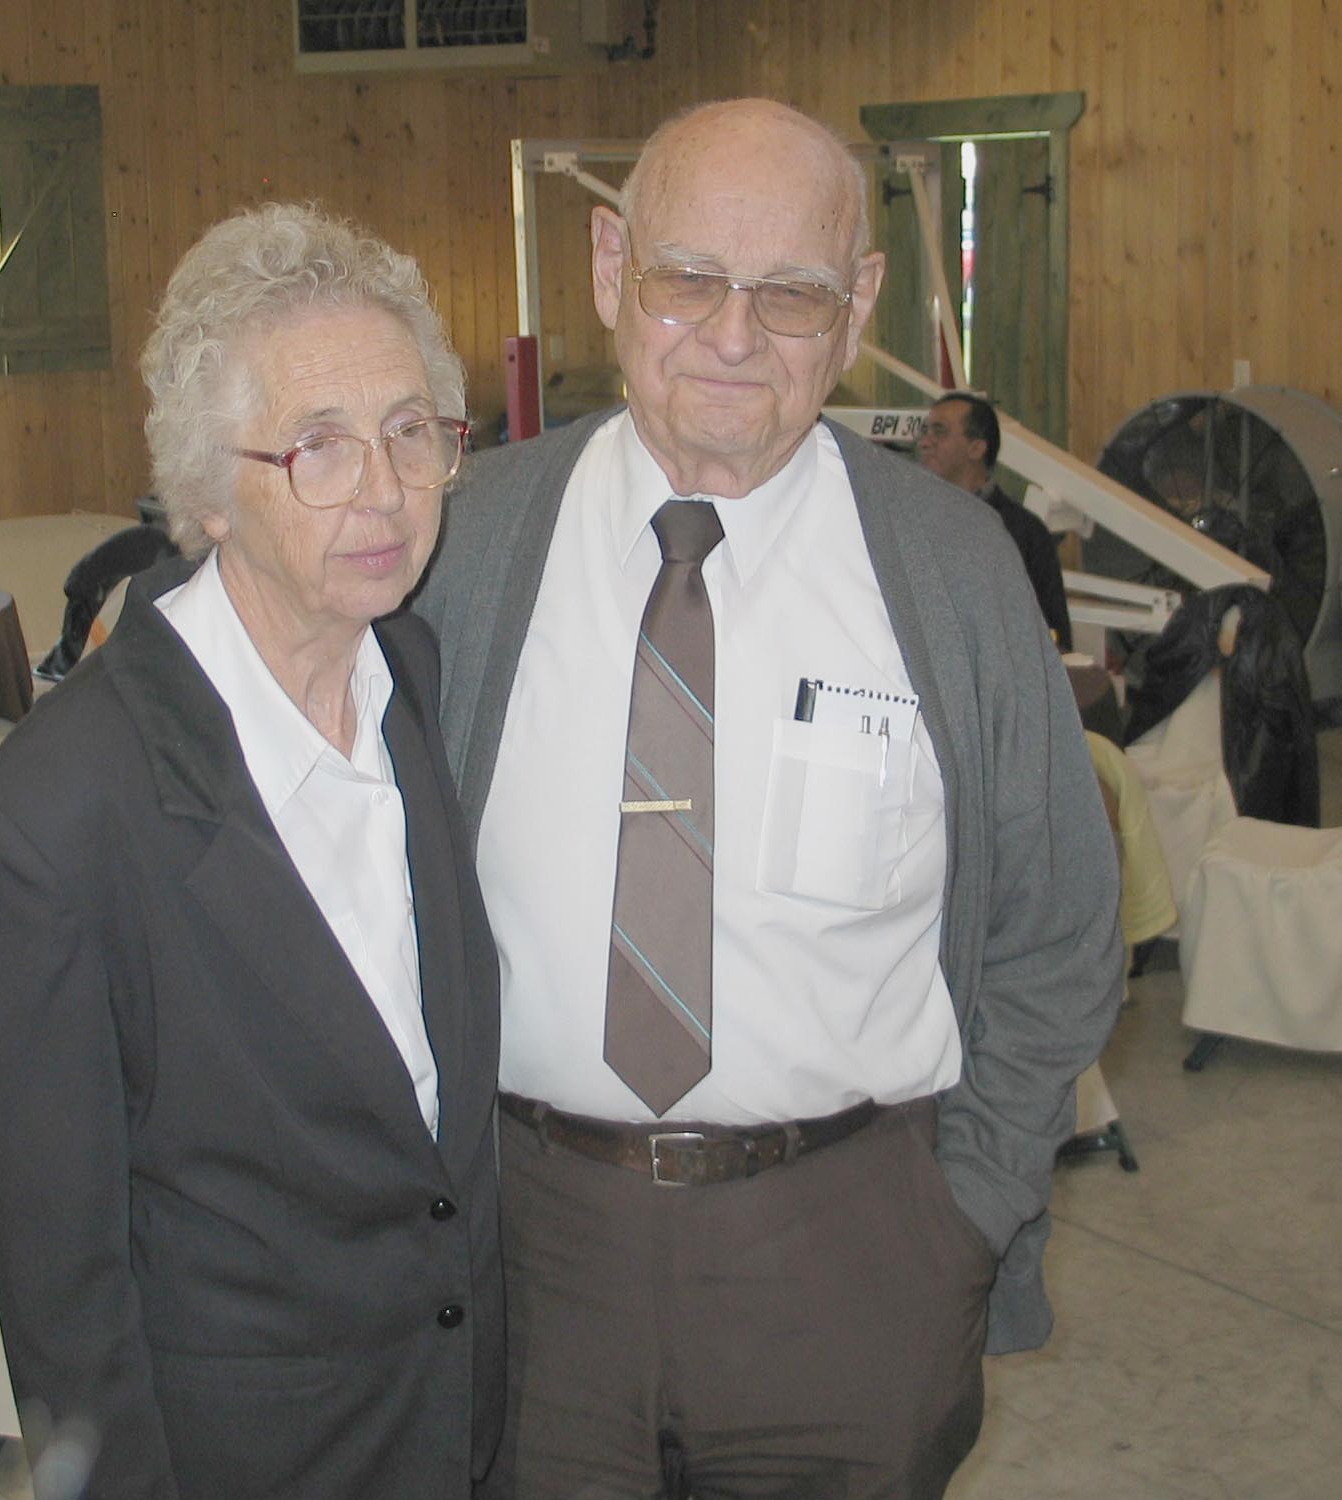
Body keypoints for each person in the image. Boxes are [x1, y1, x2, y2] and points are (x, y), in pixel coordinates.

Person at [416, 99, 1124, 1498]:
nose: (733, 336)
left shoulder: (953, 570)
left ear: (857, 301)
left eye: (790, 292)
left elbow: (1060, 926)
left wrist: (959, 1218)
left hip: (852, 1258)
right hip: (529, 1249)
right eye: (688, 278)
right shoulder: (462, 540)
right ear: (611, 267)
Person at [0, 203, 502, 1500]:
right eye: (316, 446)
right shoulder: (57, 811)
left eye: (409, 432)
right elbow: (63, 1288)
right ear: (205, 483)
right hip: (250, 1457)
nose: (382, 490)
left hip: (463, 1421)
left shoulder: (417, 678)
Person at [917, 391, 1074, 650]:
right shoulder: (909, 522)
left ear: (976, 447)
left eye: (939, 432)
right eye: (925, 432)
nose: (925, 442)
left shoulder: (1024, 533)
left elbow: (1053, 636)